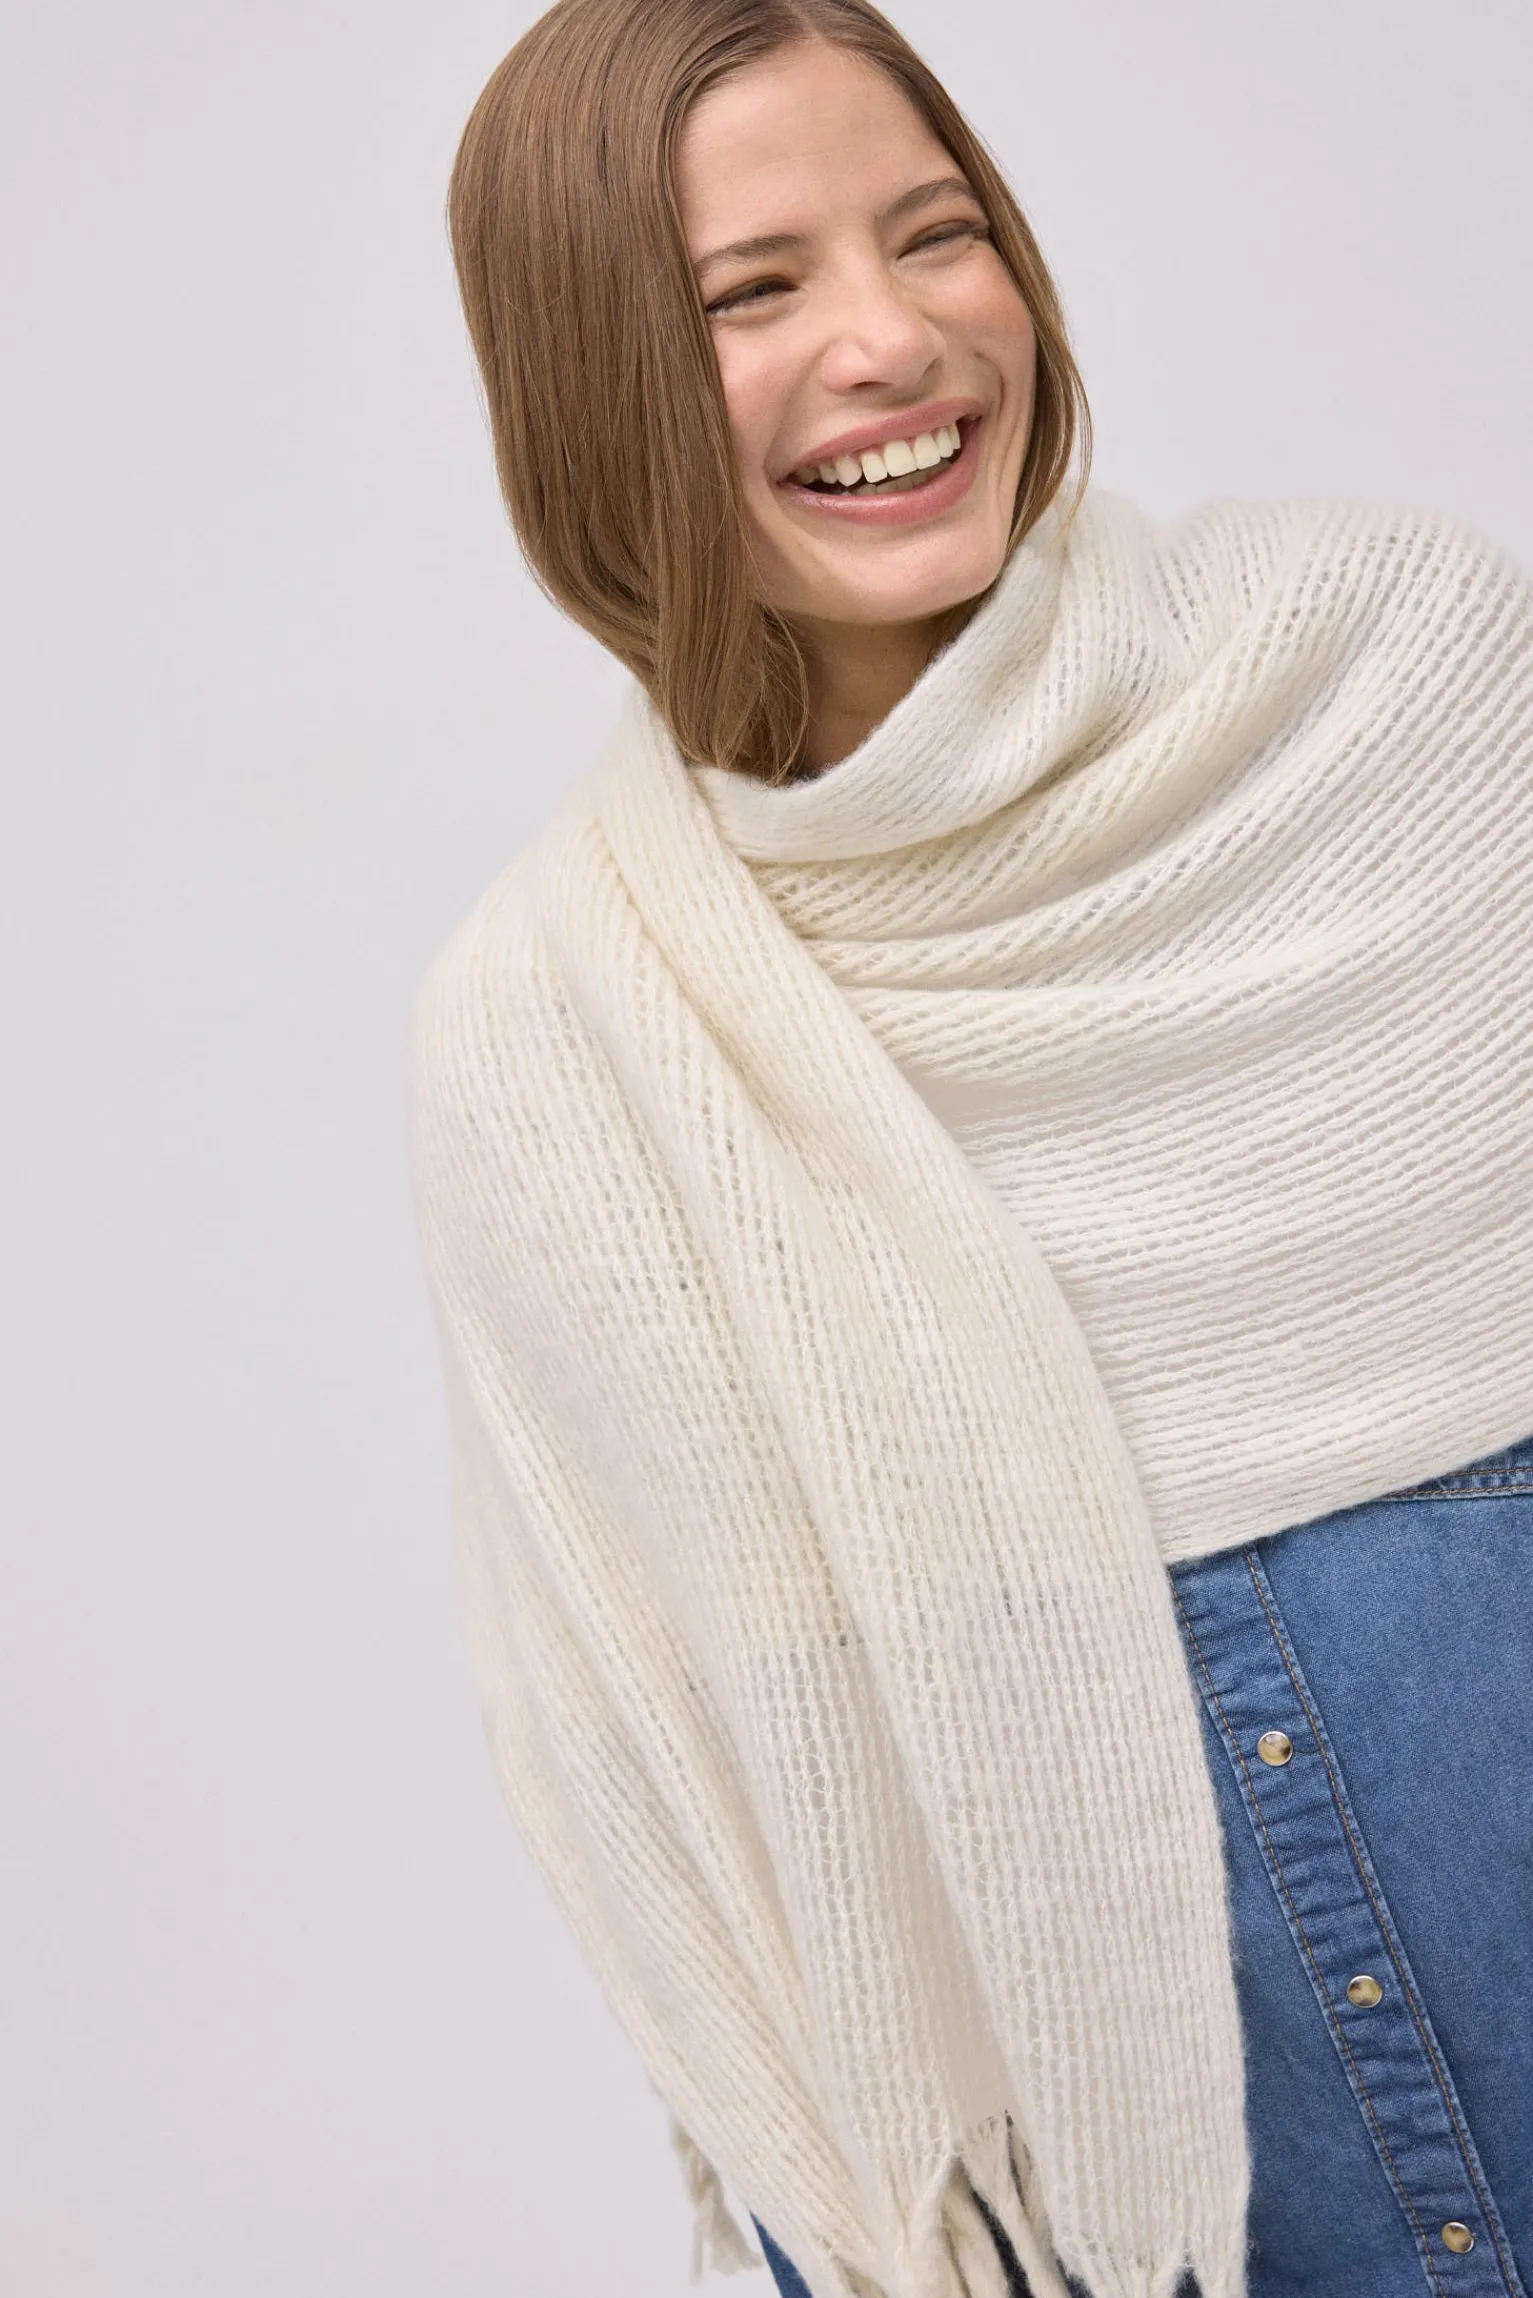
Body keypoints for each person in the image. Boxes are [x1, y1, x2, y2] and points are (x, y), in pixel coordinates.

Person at [409, 2, 1533, 2294]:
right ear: (587, 387)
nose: (894, 339)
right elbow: (752, 1893)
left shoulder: (1406, 687)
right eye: (752, 291)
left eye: (937, 237)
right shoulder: (554, 1043)